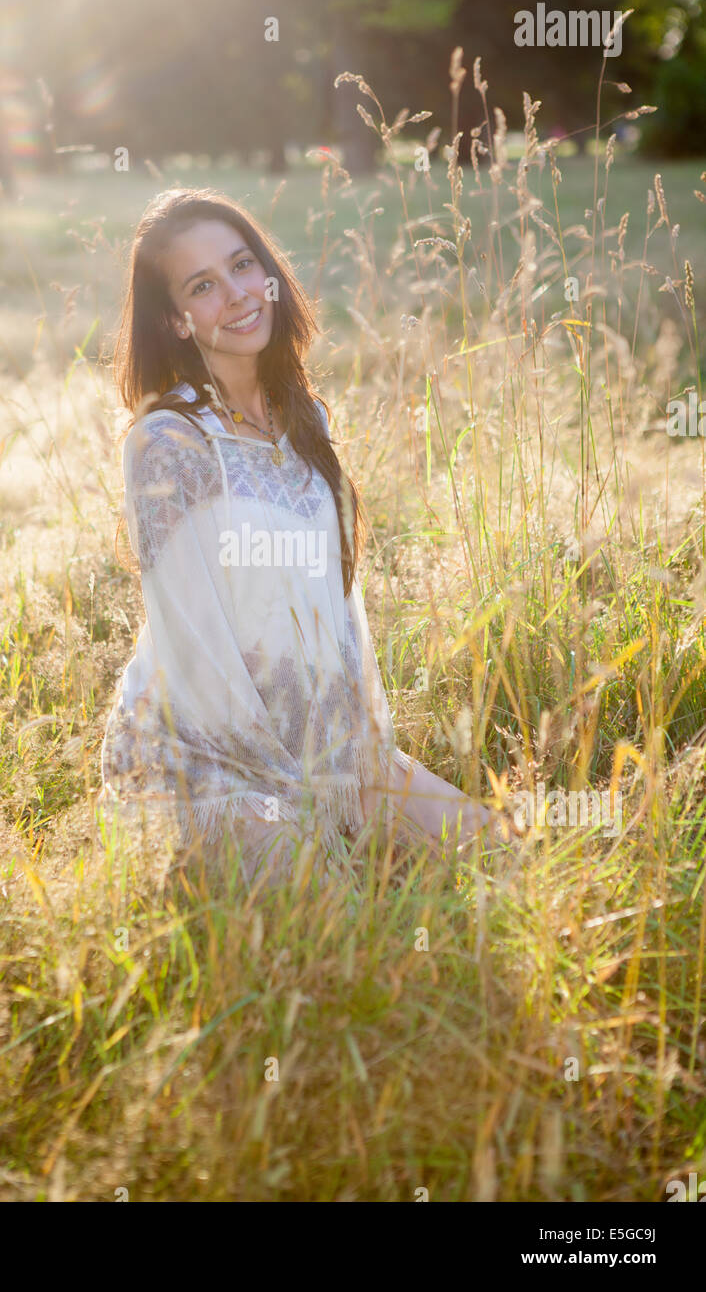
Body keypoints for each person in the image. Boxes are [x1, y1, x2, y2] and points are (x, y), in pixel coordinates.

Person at [99, 187, 497, 890]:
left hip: (324, 747)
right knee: (342, 922)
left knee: (504, 852)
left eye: (242, 265)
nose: (237, 294)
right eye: (202, 286)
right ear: (175, 320)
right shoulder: (168, 444)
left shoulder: (303, 413)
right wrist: (292, 792)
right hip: (206, 764)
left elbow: (336, 608)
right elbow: (197, 656)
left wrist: (354, 761)